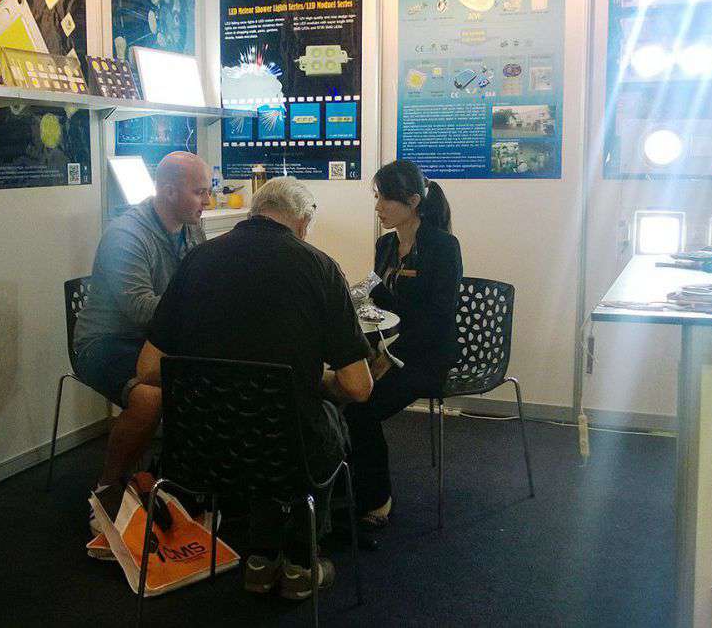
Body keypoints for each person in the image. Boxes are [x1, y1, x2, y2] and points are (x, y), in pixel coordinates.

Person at [135, 176, 374, 600]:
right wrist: (312, 381)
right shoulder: (319, 267)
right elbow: (358, 387)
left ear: (254, 211)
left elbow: (148, 370)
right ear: (302, 223)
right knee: (317, 424)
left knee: (263, 428)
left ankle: (260, 559)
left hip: (201, 449)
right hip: (286, 448)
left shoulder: (197, 260)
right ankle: (301, 562)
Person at [74, 151, 211, 547]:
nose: (207, 200)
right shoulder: (126, 235)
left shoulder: (192, 228)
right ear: (168, 191)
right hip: (105, 343)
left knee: (211, 378)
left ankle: (173, 479)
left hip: (155, 340)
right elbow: (139, 308)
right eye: (199, 192)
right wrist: (201, 309)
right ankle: (107, 489)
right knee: (150, 398)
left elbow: (198, 286)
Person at [343, 159, 463, 528]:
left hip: (428, 356)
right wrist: (352, 298)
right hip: (393, 348)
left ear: (412, 201)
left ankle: (377, 499)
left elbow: (438, 319)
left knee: (361, 407)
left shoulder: (443, 247)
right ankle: (348, 486)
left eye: (385, 199)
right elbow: (380, 299)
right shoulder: (385, 245)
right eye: (377, 198)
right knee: (342, 394)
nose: (378, 207)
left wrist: (390, 356)